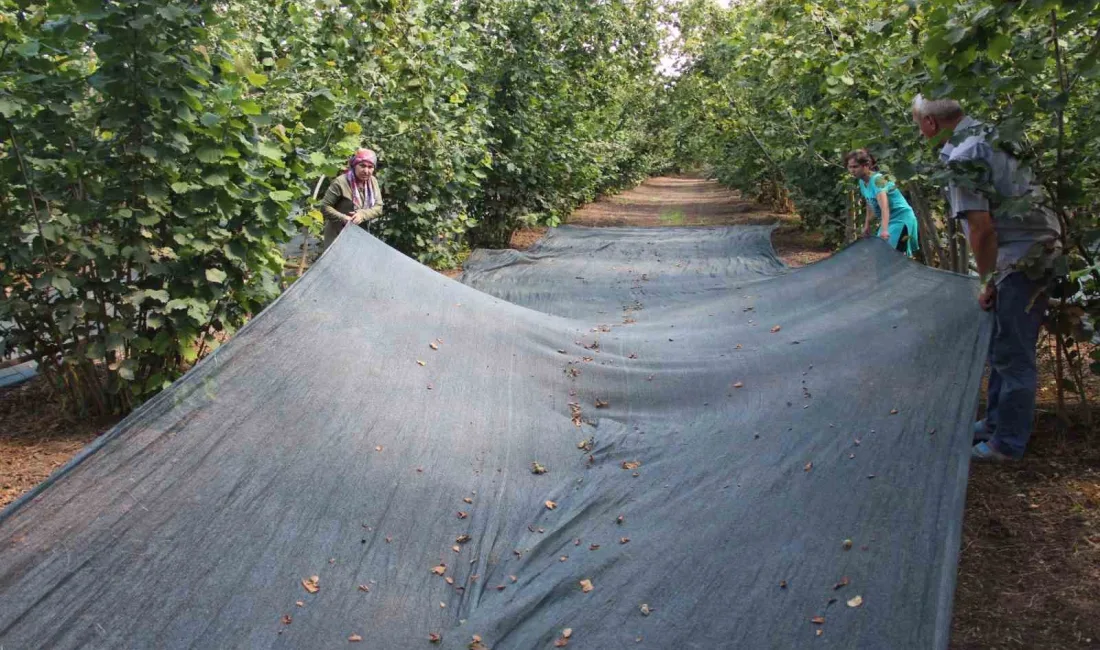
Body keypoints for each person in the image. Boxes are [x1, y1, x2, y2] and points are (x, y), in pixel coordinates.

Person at [912, 94, 1062, 461]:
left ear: (930, 124)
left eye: (917, 123)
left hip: (1022, 258)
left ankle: (1007, 443)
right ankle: (995, 423)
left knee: (1013, 354)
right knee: (1002, 346)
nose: (918, 130)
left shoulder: (965, 157)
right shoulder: (994, 133)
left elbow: (982, 230)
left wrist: (987, 279)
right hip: (1041, 245)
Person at [844, 149, 920, 257]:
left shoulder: (877, 180)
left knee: (892, 257)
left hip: (901, 219)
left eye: (855, 167)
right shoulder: (862, 181)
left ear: (866, 165)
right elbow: (870, 202)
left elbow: (885, 207)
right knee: (881, 254)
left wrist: (884, 230)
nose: (852, 170)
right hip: (889, 221)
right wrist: (867, 225)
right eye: (850, 167)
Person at [321, 148, 383, 250]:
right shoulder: (341, 182)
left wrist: (362, 214)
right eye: (362, 166)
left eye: (370, 167)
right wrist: (343, 218)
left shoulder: (373, 182)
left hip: (359, 233)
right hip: (337, 233)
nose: (366, 171)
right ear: (354, 165)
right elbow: (325, 207)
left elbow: (378, 207)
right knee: (337, 263)